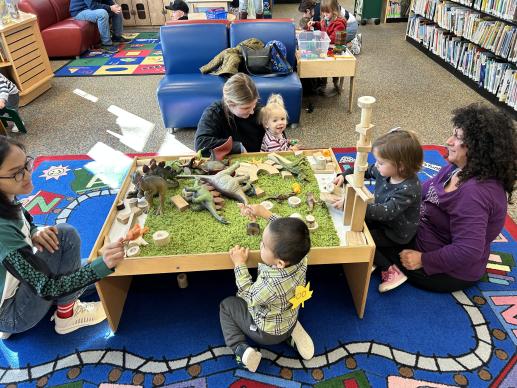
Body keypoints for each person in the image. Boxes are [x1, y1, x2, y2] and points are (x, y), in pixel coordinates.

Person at [375, 104, 515, 293]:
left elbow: (468, 250)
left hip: (445, 270)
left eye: (457, 137)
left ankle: (387, 268)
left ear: (477, 147)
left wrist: (423, 260)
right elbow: (420, 192)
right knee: (373, 221)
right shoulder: (457, 168)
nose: (448, 141)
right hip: (424, 233)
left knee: (369, 236)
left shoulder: (474, 194)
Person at [0, 136, 126, 339]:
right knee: (66, 238)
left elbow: (25, 217)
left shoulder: (5, 198)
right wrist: (102, 267)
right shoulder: (3, 232)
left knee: (93, 269)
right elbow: (47, 286)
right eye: (16, 173)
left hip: (16, 287)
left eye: (26, 164)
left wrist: (34, 231)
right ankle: (67, 315)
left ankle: (59, 301)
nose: (27, 175)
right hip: (13, 314)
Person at [220, 203, 314, 372]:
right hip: (289, 319)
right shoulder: (302, 256)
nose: (260, 245)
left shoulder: (269, 285)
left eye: (263, 244)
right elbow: (290, 233)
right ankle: (290, 335)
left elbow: (247, 295)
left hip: (265, 333)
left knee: (227, 305)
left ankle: (241, 350)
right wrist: (265, 213)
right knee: (283, 313)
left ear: (279, 263)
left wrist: (240, 264)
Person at [332, 129, 423, 292]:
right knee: (357, 223)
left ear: (400, 166)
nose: (377, 165)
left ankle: (391, 271)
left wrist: (354, 205)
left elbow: (386, 212)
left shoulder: (409, 188)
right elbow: (366, 169)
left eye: (381, 162)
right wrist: (345, 174)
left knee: (364, 239)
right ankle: (372, 260)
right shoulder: (385, 171)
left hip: (396, 232)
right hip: (383, 219)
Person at [195, 73, 265, 157]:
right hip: (227, 163)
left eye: (254, 104)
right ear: (229, 103)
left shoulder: (260, 110)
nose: (252, 111)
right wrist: (235, 147)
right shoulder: (214, 112)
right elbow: (201, 144)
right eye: (246, 108)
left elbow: (279, 135)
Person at [307, 0, 346, 97]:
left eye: (327, 12)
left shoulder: (339, 23)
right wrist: (315, 24)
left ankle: (335, 83)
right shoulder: (325, 19)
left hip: (336, 48)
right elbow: (322, 26)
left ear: (335, 11)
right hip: (326, 46)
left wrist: (322, 37)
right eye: (323, 12)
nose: (324, 14)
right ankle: (323, 84)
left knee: (334, 67)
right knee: (322, 63)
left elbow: (333, 37)